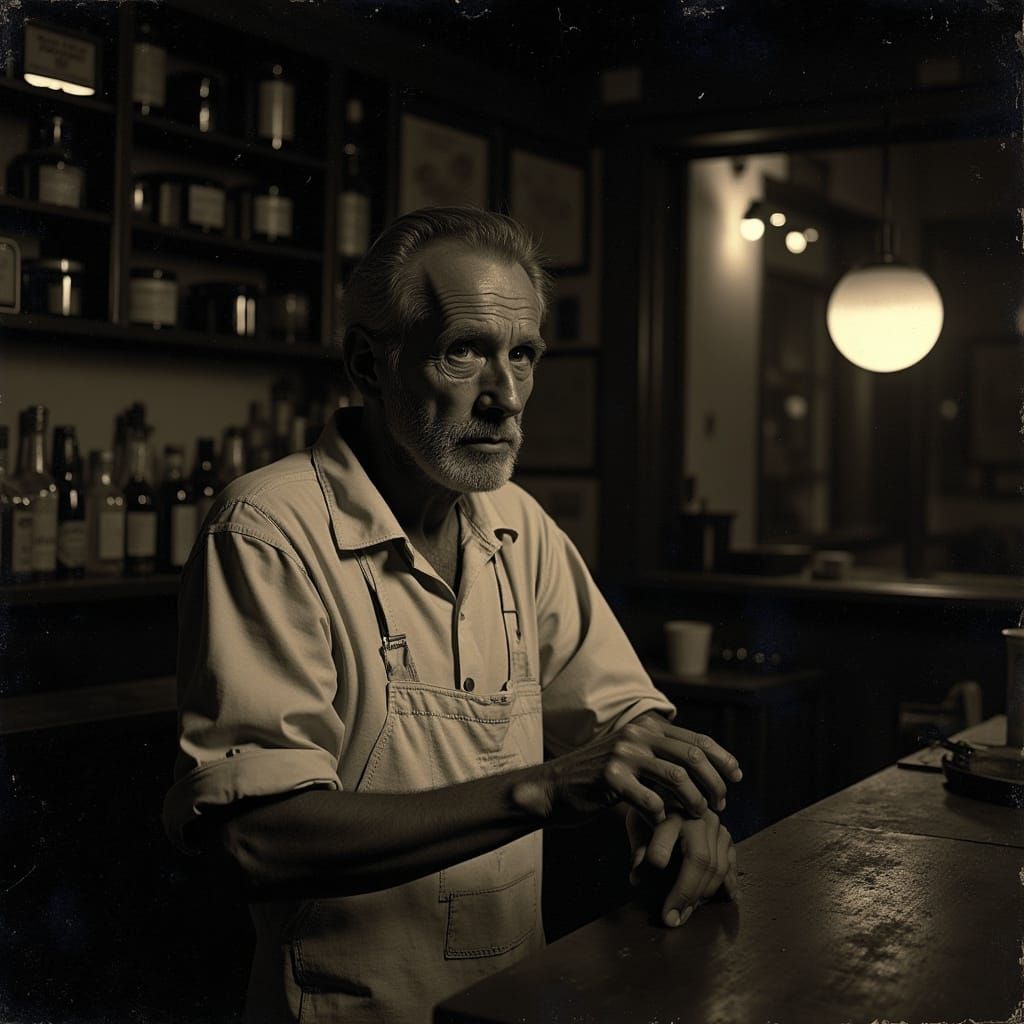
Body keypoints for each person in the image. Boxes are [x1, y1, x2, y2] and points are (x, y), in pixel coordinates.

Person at [163, 207, 742, 1024]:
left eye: (524, 356)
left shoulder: (517, 522)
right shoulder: (268, 530)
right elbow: (254, 838)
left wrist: (683, 808)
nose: (505, 398)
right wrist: (542, 788)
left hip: (509, 1003)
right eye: (463, 351)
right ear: (370, 363)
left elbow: (627, 722)